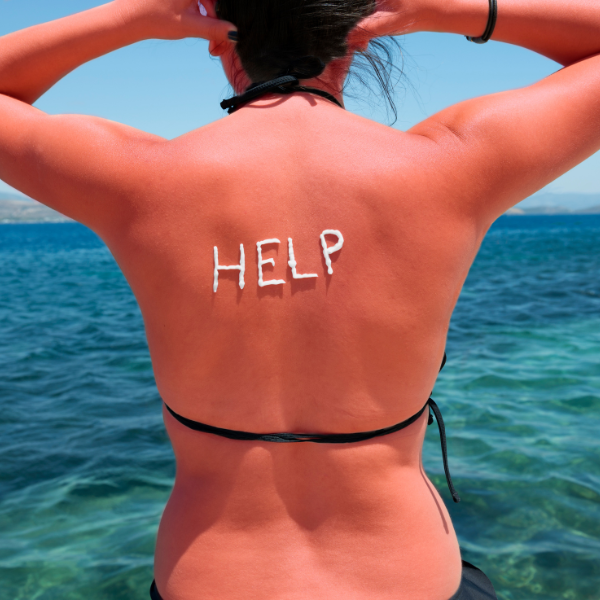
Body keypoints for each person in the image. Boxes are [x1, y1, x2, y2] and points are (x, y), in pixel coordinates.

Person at [1, 0, 599, 597]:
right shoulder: (453, 163)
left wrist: (136, 18)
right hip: (408, 578)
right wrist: (441, 11)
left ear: (220, 41)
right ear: (358, 39)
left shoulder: (135, 178)